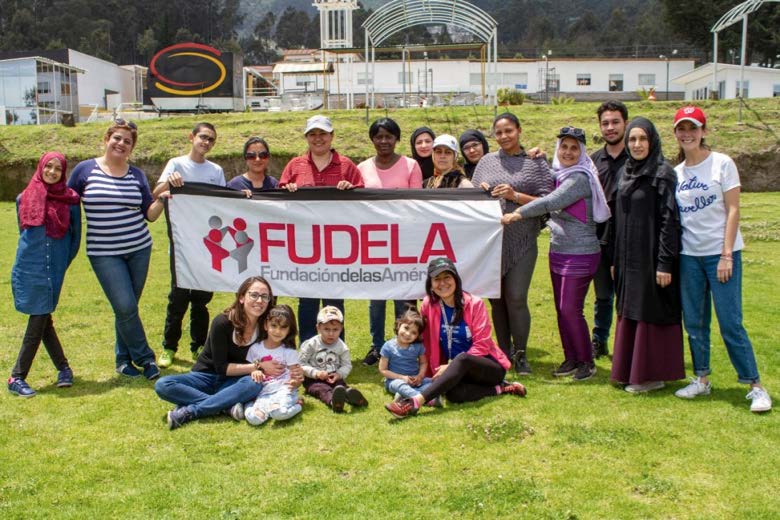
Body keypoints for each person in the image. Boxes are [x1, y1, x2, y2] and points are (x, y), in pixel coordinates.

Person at [671, 106, 772, 412]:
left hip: (720, 255)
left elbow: (733, 210)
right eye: (681, 129)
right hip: (690, 255)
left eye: (693, 128)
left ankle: (754, 385)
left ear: (704, 131)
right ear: (675, 133)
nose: (687, 134)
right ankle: (701, 379)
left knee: (730, 322)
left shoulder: (722, 164)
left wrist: (727, 254)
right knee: (695, 321)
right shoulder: (676, 173)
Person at [502, 127, 609, 381]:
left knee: (571, 309)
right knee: (562, 310)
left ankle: (586, 361)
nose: (568, 152)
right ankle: (571, 358)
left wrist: (518, 211)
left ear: (582, 152)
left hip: (580, 253)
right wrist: (539, 158)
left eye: (574, 148)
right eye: (564, 147)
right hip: (559, 250)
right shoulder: (562, 174)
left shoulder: (580, 178)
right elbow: (549, 177)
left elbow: (551, 201)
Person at [68, 119, 168, 380]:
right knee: (124, 306)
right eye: (117, 138)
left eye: (127, 141)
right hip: (104, 253)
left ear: (132, 147)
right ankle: (145, 359)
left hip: (139, 248)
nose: (121, 144)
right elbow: (64, 200)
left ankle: (123, 360)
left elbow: (150, 214)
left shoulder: (136, 175)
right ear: (106, 139)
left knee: (128, 307)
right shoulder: (84, 170)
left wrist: (162, 199)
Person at [384, 258, 526, 419]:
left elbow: (483, 344)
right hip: (457, 369)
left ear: (456, 279)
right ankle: (502, 389)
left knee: (463, 358)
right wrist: (430, 375)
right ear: (430, 284)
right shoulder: (428, 304)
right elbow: (429, 342)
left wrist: (451, 365)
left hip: (488, 367)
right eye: (437, 279)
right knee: (452, 394)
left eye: (447, 277)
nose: (442, 283)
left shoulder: (474, 304)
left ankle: (414, 403)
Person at [155, 277, 301, 429]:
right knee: (163, 384)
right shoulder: (222, 322)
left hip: (236, 382)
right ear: (241, 297)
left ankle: (191, 411)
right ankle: (225, 407)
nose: (259, 300)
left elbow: (286, 344)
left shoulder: (266, 325)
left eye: (265, 296)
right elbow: (221, 368)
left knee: (254, 384)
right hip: (206, 376)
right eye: (254, 295)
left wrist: (296, 375)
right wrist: (259, 366)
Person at [473, 112, 554, 374]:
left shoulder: (535, 162)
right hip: (490, 242)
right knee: (496, 300)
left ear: (519, 130)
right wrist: (480, 190)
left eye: (509, 131)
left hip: (522, 239)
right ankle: (504, 353)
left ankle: (521, 354)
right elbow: (470, 198)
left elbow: (548, 202)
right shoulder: (486, 162)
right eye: (499, 132)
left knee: (516, 297)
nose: (504, 136)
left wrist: (515, 195)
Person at [610, 117, 685, 393]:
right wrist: (616, 260)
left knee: (649, 310)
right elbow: (619, 219)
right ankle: (630, 371)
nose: (637, 144)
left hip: (652, 257)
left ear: (652, 141)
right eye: (632, 139)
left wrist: (665, 262)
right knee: (630, 307)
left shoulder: (662, 173)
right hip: (628, 258)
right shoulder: (626, 172)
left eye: (642, 139)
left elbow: (669, 221)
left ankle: (650, 375)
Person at [279, 115, 364, 344]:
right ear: (307, 137)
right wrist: (287, 189)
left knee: (334, 300)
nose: (318, 139)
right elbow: (277, 200)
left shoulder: (347, 165)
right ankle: (308, 350)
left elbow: (366, 204)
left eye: (322, 134)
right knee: (306, 300)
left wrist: (352, 189)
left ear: (331, 136)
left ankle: (336, 349)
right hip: (304, 245)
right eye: (312, 134)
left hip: (337, 246)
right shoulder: (294, 165)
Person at [7, 152, 81, 398]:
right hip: (30, 267)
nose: (51, 172)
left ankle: (64, 369)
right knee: (39, 318)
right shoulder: (23, 199)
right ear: (40, 168)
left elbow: (74, 239)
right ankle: (17, 377)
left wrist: (59, 264)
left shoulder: (71, 202)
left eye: (57, 169)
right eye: (47, 166)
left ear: (63, 173)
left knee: (43, 317)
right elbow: (24, 235)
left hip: (55, 269)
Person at [156, 122, 227, 369]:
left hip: (206, 246)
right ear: (192, 137)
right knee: (177, 299)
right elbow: (157, 192)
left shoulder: (215, 170)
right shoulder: (176, 164)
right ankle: (168, 347)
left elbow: (223, 202)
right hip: (181, 245)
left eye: (211, 140)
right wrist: (170, 183)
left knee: (201, 300)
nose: (206, 142)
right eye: (203, 137)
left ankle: (198, 346)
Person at [357, 117, 423, 365]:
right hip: (373, 242)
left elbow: (417, 204)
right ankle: (377, 346)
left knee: (405, 297)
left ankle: (404, 345)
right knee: (376, 298)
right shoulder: (362, 167)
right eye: (379, 136)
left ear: (397, 138)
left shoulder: (410, 165)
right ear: (372, 139)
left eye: (389, 136)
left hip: (404, 241)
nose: (384, 141)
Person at [589, 101, 629, 359]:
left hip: (630, 241)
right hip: (600, 240)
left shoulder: (638, 156)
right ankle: (599, 340)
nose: (610, 127)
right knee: (603, 296)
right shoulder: (593, 161)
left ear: (625, 122)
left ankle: (628, 345)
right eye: (605, 123)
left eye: (615, 122)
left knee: (629, 299)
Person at [299, 306, 368, 413]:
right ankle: (334, 402)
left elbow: (347, 365)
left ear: (341, 329)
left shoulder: (342, 347)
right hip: (313, 379)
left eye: (335, 330)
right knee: (322, 390)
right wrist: (316, 373)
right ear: (318, 328)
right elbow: (301, 364)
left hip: (333, 376)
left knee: (341, 387)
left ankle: (356, 399)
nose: (331, 334)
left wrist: (339, 374)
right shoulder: (311, 344)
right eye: (326, 329)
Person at [242, 305, 303, 425]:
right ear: (266, 325)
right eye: (274, 326)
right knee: (254, 419)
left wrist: (295, 383)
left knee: (278, 413)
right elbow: (248, 370)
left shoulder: (289, 352)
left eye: (283, 327)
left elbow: (297, 379)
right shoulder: (255, 349)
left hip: (284, 392)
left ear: (289, 330)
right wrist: (255, 371)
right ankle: (248, 405)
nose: (277, 331)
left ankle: (298, 405)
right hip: (263, 393)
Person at [378, 309, 438, 405]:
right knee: (398, 385)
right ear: (399, 325)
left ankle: (404, 396)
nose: (408, 334)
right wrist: (402, 377)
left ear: (418, 335)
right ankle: (425, 399)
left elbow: (423, 362)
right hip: (395, 380)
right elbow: (383, 370)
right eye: (406, 328)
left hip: (415, 381)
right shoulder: (388, 346)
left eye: (414, 332)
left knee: (434, 382)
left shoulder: (418, 346)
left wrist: (420, 376)